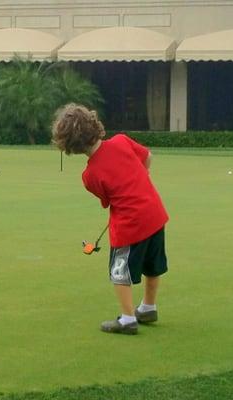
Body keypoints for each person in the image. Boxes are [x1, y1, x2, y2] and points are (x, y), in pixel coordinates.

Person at [52, 103, 169, 335]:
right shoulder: (122, 141)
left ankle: (127, 319)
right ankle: (148, 307)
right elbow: (147, 158)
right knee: (152, 264)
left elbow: (107, 200)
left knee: (120, 271)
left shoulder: (89, 175)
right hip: (155, 214)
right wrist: (139, 177)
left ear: (70, 146)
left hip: (130, 225)